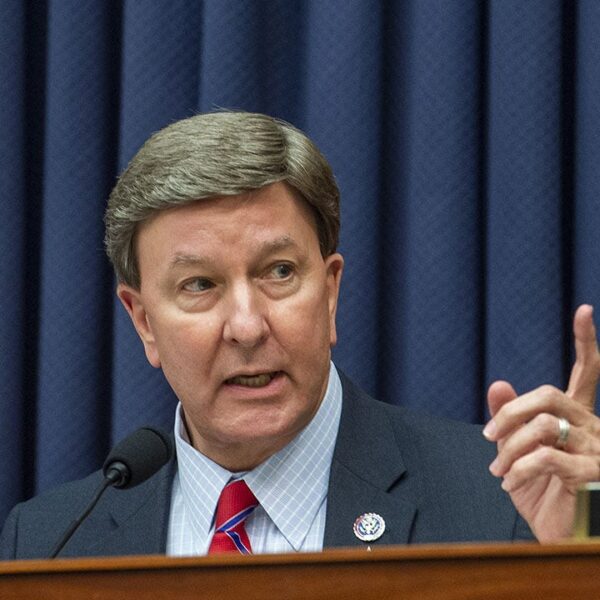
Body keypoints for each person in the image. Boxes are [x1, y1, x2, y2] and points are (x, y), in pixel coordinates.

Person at [1, 111, 599, 559]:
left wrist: (580, 558)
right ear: (143, 323)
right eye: (199, 285)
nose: (247, 326)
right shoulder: (50, 542)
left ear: (331, 291)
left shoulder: (503, 501)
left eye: (279, 272)